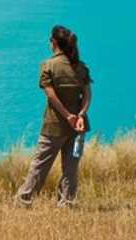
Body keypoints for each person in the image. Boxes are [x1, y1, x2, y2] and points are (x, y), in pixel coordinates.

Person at [15, 25, 92, 208]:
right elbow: (88, 95)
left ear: (55, 42)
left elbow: (51, 95)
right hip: (79, 129)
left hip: (54, 126)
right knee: (71, 167)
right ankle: (67, 203)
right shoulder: (81, 68)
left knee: (40, 165)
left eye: (50, 40)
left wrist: (67, 116)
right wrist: (79, 115)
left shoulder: (48, 66)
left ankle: (23, 201)